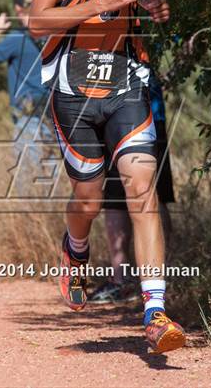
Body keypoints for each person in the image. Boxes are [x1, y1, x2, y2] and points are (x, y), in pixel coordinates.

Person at [29, 0, 186, 354]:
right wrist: (96, 3)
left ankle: (156, 312)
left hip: (126, 79)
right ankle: (75, 250)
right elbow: (36, 21)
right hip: (74, 83)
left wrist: (154, 4)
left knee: (141, 188)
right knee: (89, 200)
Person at [89, 73, 176, 304]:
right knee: (138, 196)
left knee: (143, 197)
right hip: (129, 114)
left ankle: (134, 281)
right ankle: (132, 281)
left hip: (127, 113)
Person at [0, 0, 51, 164]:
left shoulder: (16, 38)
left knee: (27, 175)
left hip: (27, 115)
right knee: (54, 170)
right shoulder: (52, 34)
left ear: (18, 9)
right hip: (52, 112)